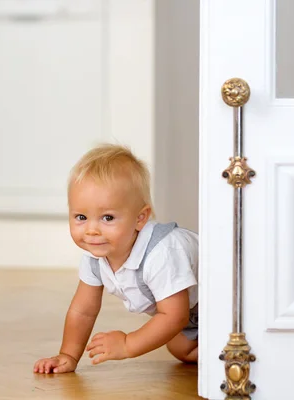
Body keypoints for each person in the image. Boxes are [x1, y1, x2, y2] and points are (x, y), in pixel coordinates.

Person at [33, 144, 198, 374]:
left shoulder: (161, 252)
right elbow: (83, 310)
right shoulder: (95, 257)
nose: (92, 230)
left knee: (173, 329)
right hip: (193, 315)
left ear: (140, 218)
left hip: (226, 306)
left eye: (107, 218)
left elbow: (175, 314)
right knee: (180, 347)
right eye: (81, 217)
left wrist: (128, 344)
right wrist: (68, 355)